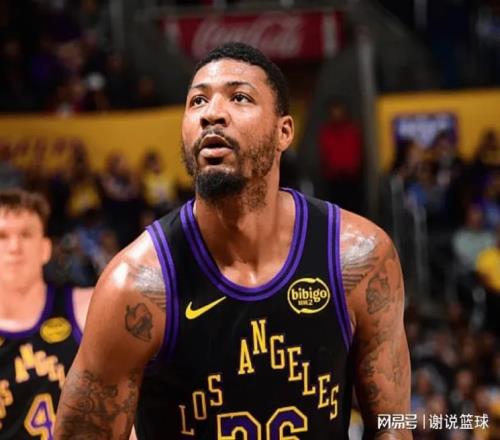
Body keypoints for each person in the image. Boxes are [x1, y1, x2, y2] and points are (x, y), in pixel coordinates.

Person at [54, 42, 411, 439]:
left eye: (239, 97)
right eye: (197, 101)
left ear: (284, 132)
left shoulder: (359, 257)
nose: (212, 113)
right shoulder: (134, 287)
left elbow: (395, 427)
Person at [0, 188, 93, 438]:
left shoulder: (88, 309)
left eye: (26, 234)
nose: (15, 247)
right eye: (2, 236)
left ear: (45, 248)